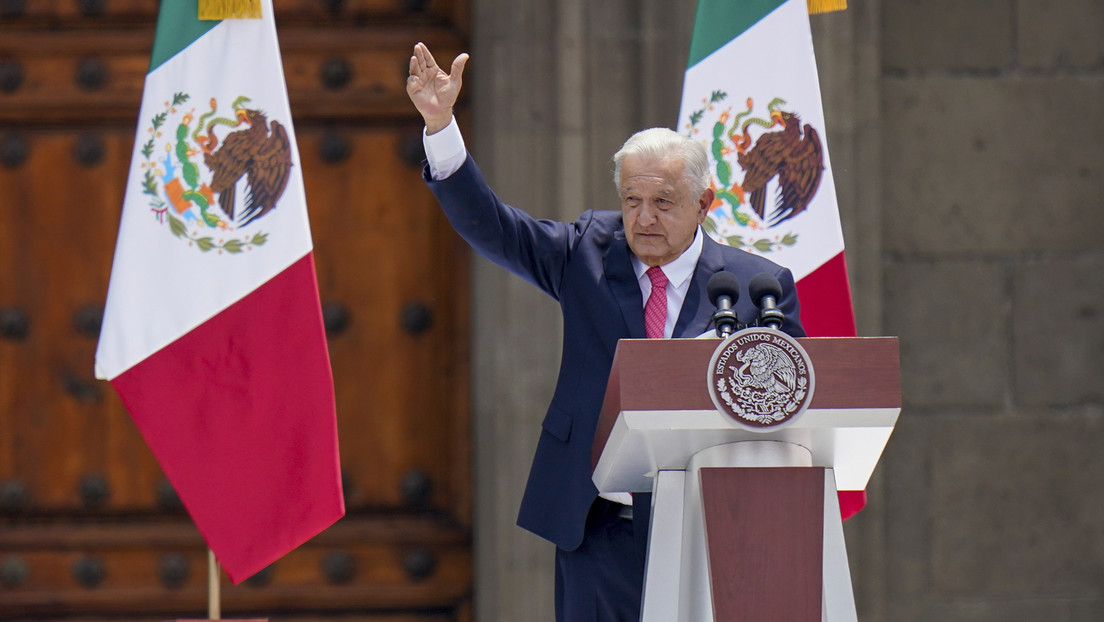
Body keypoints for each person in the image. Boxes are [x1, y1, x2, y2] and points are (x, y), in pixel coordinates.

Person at [406, 42, 805, 622]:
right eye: (632, 201)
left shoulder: (756, 287)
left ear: (704, 203)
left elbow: (789, 407)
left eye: (663, 203)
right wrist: (440, 126)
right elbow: (494, 228)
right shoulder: (586, 254)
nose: (643, 219)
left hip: (714, 530)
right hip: (600, 531)